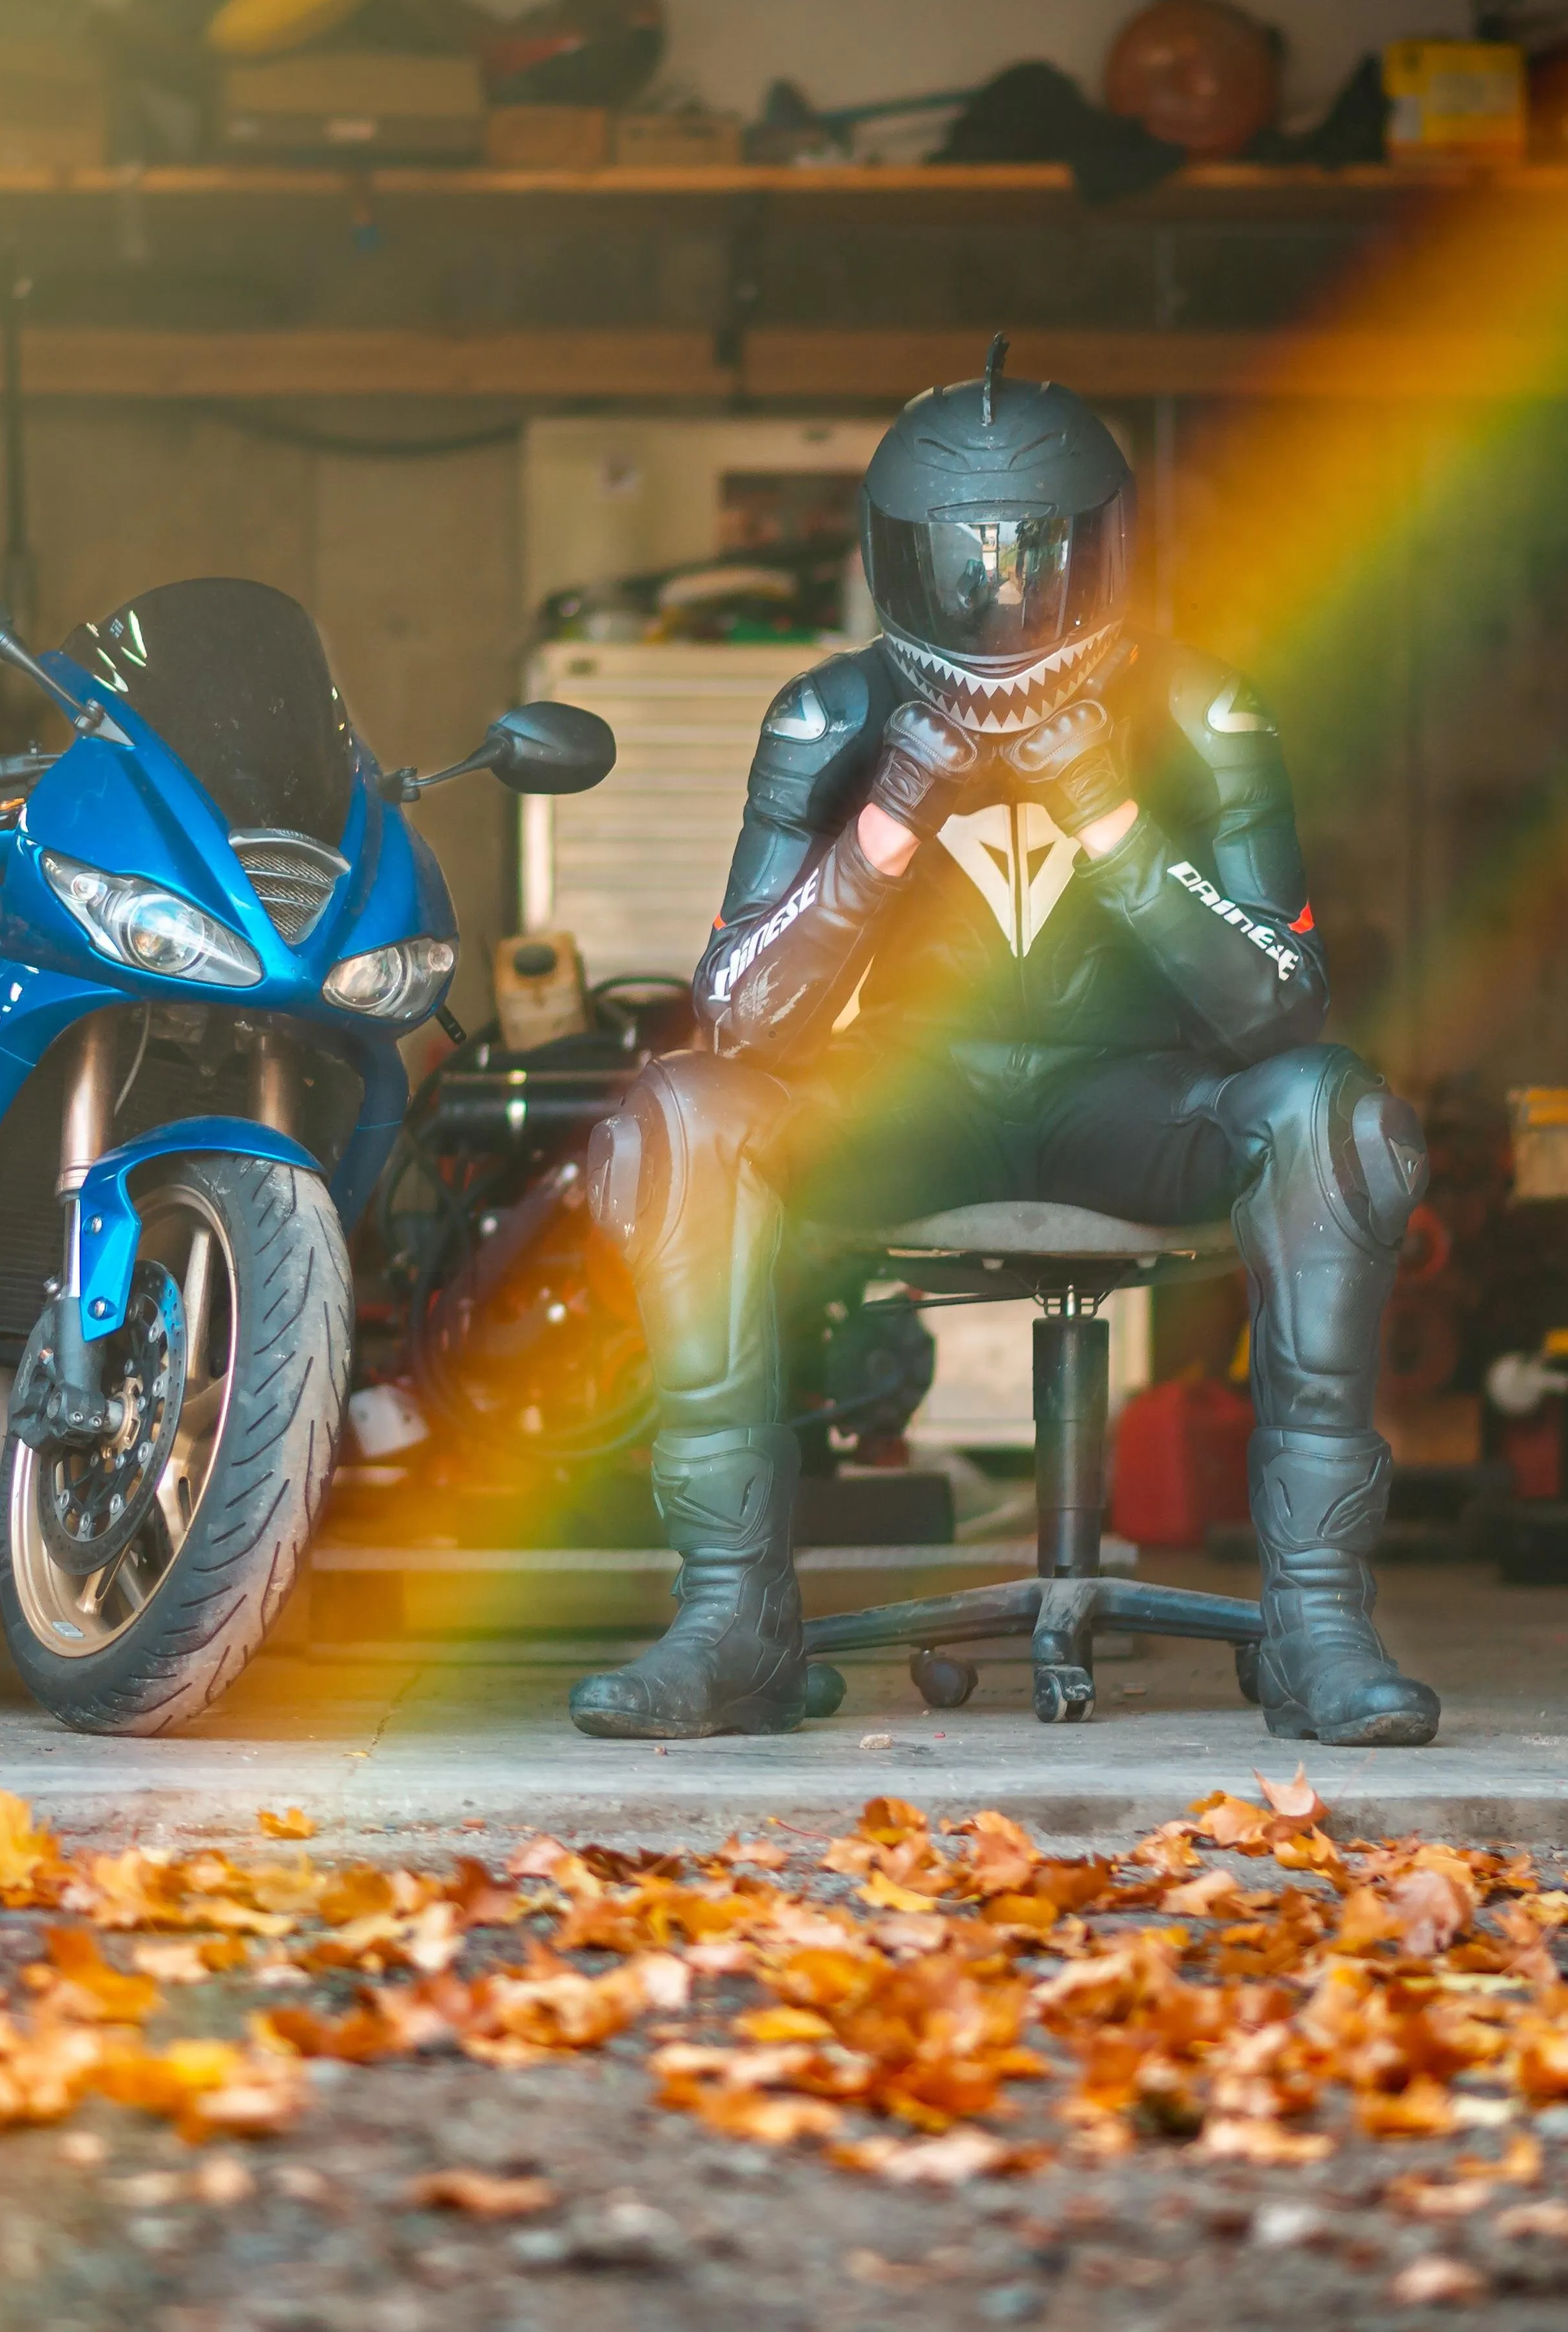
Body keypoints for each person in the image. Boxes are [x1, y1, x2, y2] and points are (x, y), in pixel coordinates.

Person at [573, 338, 1437, 1747]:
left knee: (1336, 1118)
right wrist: (890, 817)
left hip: (1142, 1108)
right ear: (891, 558)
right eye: (959, 560)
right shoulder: (835, 715)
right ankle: (735, 1618)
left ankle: (1316, 1625)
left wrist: (1104, 804)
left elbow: (1280, 1004)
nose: (999, 590)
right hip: (917, 1107)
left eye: (1034, 554)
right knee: (681, 1114)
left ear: (1102, 551)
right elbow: (738, 1012)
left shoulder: (1202, 709)